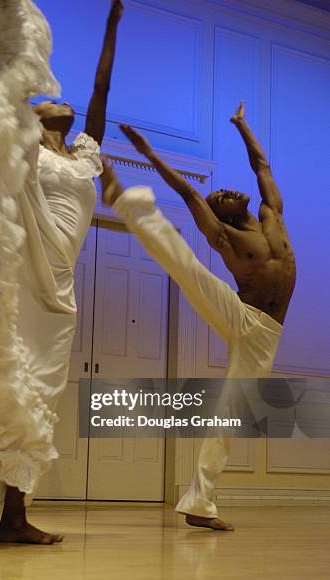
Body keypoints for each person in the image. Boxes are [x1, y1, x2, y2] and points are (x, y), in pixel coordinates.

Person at [0, 0, 123, 545]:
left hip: (60, 287)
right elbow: (0, 99)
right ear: (33, 120)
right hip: (23, 271)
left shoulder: (86, 154)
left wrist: (113, 25)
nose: (57, 100)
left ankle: (14, 518)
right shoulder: (24, 149)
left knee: (40, 394)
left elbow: (100, 94)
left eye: (58, 99)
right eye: (46, 100)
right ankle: (12, 517)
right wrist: (0, 26)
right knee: (1, 369)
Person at [99, 104, 296, 530]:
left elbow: (262, 163)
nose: (224, 190)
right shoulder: (226, 237)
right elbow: (190, 194)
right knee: (187, 268)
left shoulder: (271, 215)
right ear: (221, 216)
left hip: (267, 336)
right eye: (219, 198)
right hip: (240, 313)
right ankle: (128, 204)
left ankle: (200, 505)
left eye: (223, 191)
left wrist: (243, 126)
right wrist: (150, 154)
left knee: (231, 415)